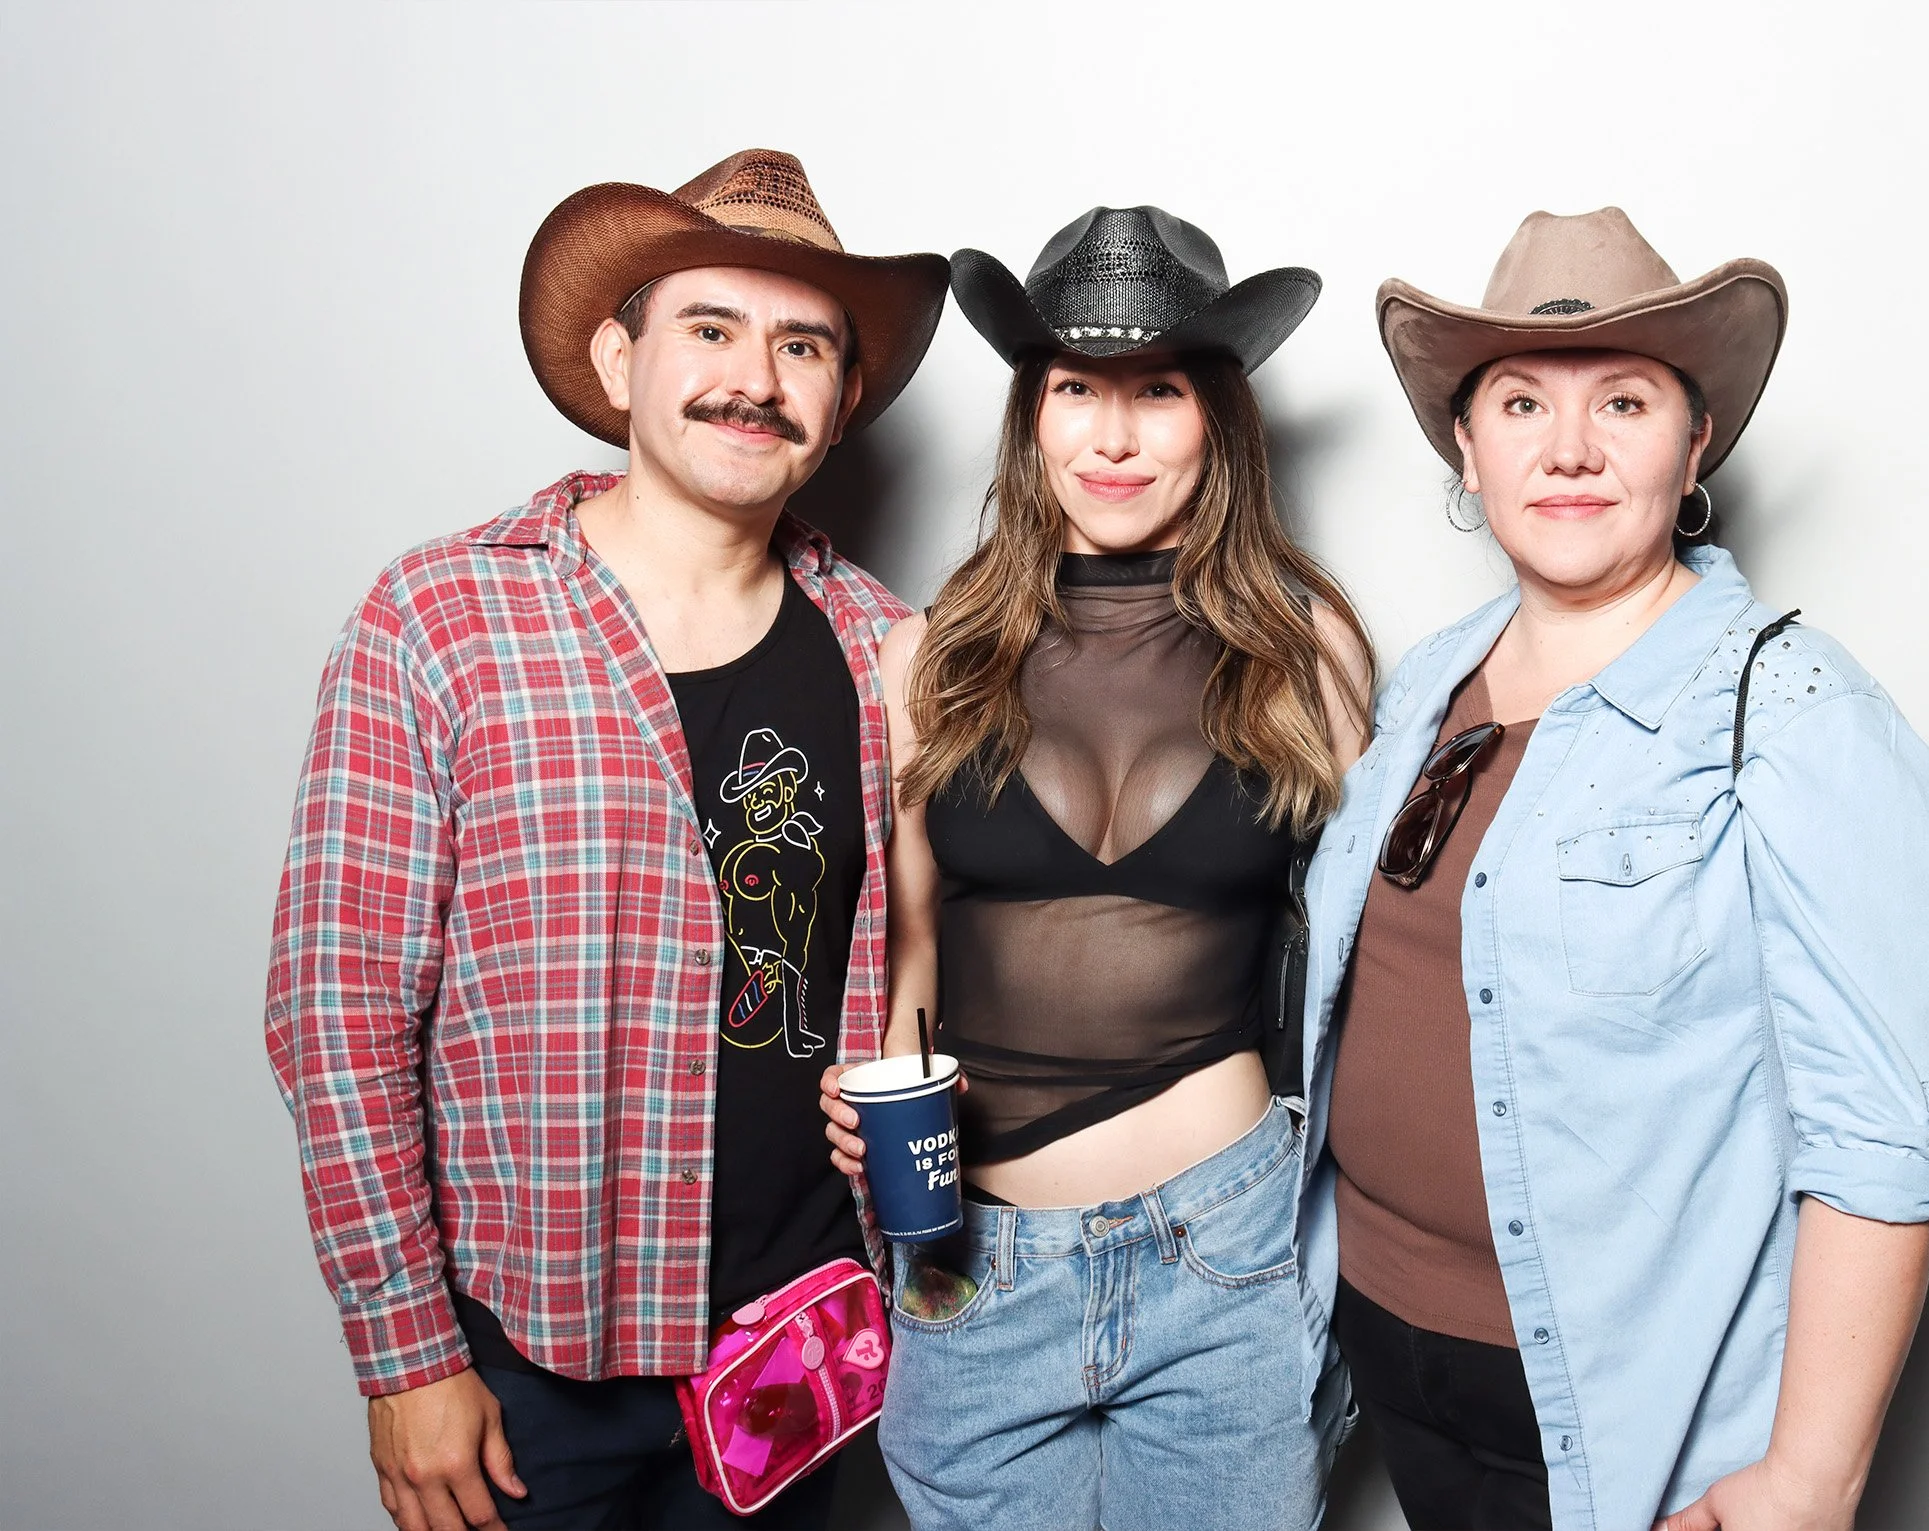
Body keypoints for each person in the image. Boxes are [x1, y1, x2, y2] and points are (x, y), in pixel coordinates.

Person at [264, 149, 946, 1531]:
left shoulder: (891, 650)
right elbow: (336, 1012)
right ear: (619, 358)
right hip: (528, 1372)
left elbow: (928, 953)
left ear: (840, 402)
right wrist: (408, 1357)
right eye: (712, 328)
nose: (756, 378)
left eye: (802, 345)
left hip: (801, 1350)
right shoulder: (440, 622)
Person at [1297, 208, 1929, 1531]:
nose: (1569, 449)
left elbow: (1885, 1133)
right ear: (1467, 445)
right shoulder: (1425, 681)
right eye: (1521, 404)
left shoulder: (1794, 714)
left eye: (1623, 401)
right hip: (1386, 1357)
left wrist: (1810, 1480)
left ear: (1694, 440)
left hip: (1616, 1413)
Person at [817, 206, 1372, 1531]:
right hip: (973, 1262)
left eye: (1158, 391)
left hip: (1227, 1247)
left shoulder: (1308, 649)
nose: (1112, 438)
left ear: (1218, 418)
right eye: (1076, 389)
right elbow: (915, 948)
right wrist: (871, 1099)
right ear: (1032, 414)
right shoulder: (929, 654)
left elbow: (1367, 955)